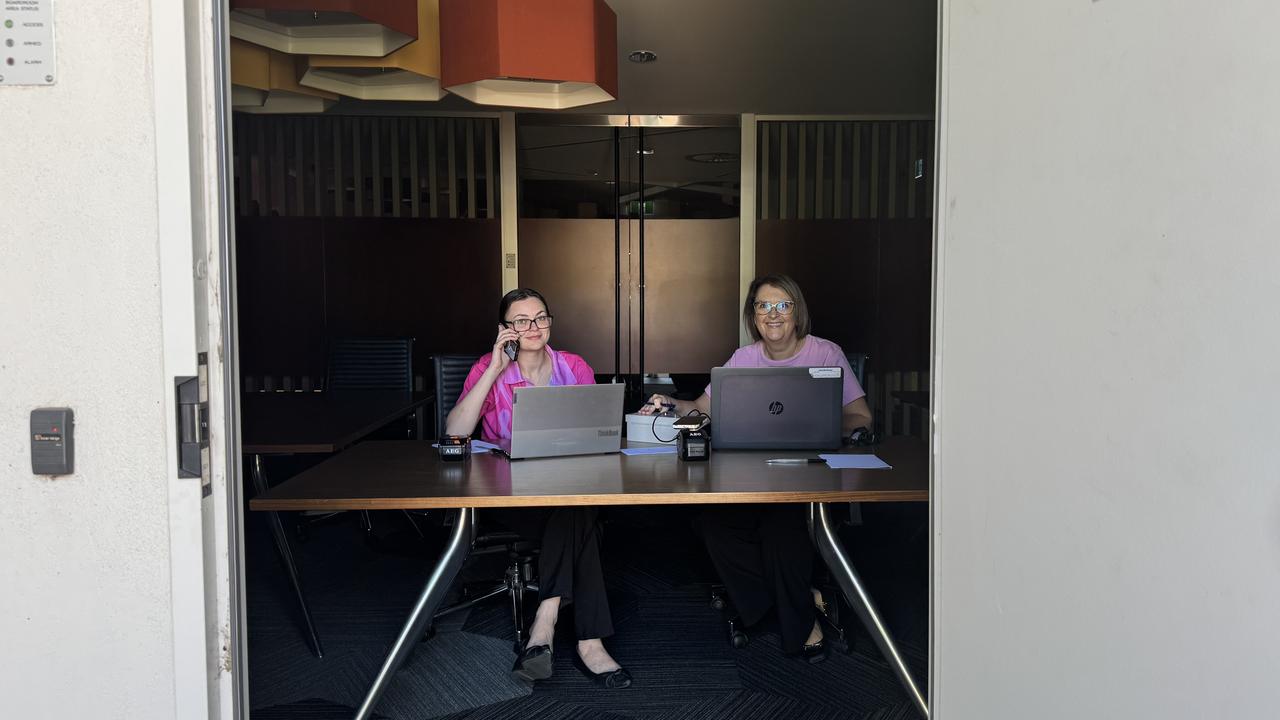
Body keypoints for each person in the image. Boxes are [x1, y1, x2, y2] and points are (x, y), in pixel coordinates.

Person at [639, 274, 872, 662]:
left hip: (806, 478)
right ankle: (794, 599)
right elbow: (703, 407)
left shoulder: (825, 354)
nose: (773, 314)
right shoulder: (743, 359)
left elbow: (861, 416)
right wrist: (670, 402)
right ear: (754, 315)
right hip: (746, 477)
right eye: (763, 306)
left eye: (783, 305)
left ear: (797, 312)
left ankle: (799, 626)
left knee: (782, 528)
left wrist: (824, 424)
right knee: (713, 525)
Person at [446, 287, 631, 689]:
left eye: (541, 317)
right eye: (522, 320)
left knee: (575, 506)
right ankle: (590, 642)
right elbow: (455, 432)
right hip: (509, 493)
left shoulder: (574, 366)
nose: (534, 327)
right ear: (505, 329)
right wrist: (495, 367)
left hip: (572, 484)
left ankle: (544, 623)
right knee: (582, 521)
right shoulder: (487, 368)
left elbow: (599, 431)